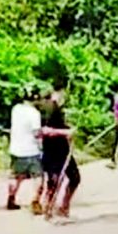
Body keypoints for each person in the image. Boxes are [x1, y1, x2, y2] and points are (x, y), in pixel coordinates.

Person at [40, 82, 80, 219]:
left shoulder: (57, 108)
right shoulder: (48, 108)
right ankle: (48, 209)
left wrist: (69, 130)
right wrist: (65, 132)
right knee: (54, 180)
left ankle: (63, 206)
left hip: (63, 149)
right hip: (53, 149)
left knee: (74, 178)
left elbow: (58, 125)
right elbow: (45, 130)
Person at [6, 89, 42, 210]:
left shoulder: (16, 109)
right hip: (31, 149)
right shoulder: (34, 113)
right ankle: (35, 201)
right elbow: (36, 133)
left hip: (16, 148)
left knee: (17, 176)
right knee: (38, 176)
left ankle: (11, 198)